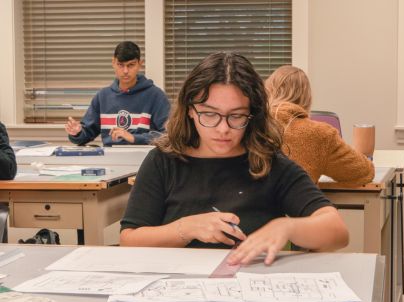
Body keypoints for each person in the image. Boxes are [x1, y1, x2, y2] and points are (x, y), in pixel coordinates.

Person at [120, 52, 349, 265]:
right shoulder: (163, 161)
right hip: (175, 289)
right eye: (209, 114)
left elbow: (338, 232)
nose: (223, 129)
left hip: (249, 289)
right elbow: (129, 241)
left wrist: (288, 228)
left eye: (237, 116)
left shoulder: (269, 164)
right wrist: (185, 228)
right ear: (190, 110)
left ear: (253, 115)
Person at [265, 65, 374, 185]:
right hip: (299, 203)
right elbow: (364, 172)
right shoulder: (320, 134)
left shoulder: (249, 126)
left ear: (269, 91)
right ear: (307, 98)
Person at [64, 41, 170, 146]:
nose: (125, 71)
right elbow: (85, 135)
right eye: (120, 65)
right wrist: (77, 133)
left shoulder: (156, 96)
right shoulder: (102, 97)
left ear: (140, 64)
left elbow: (168, 135)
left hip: (144, 158)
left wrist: (134, 138)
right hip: (111, 159)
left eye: (131, 65)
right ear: (113, 63)